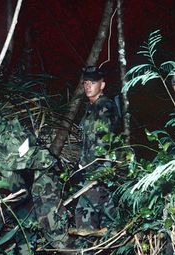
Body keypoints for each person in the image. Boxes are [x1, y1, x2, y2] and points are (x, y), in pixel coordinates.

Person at [72, 66, 120, 236]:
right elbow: (87, 142)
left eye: (93, 82)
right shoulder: (90, 108)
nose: (88, 86)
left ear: (102, 84)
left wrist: (96, 169)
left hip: (100, 168)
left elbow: (104, 142)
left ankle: (86, 248)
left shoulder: (105, 106)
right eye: (85, 82)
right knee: (109, 214)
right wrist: (80, 166)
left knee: (85, 213)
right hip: (91, 168)